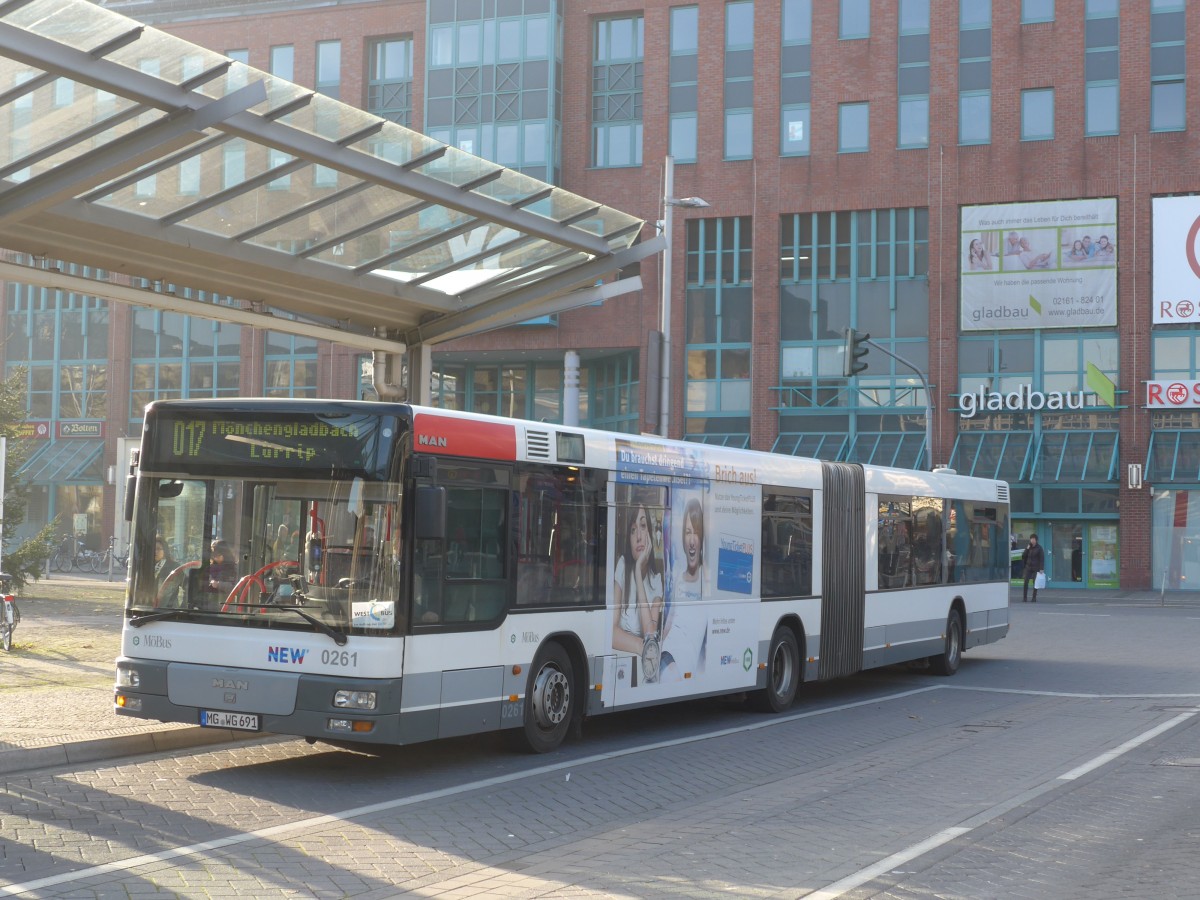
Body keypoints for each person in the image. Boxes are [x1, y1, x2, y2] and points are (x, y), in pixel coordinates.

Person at [612, 492, 664, 674]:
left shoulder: (657, 580)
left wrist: (638, 573)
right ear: (628, 538)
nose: (639, 536)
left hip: (646, 671)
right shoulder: (622, 565)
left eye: (643, 526)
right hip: (624, 666)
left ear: (650, 532)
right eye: (633, 530)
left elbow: (650, 633)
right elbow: (611, 631)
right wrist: (640, 646)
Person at [661, 497, 706, 680]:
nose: (692, 540)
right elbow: (670, 620)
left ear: (702, 537)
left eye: (696, 532)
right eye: (688, 532)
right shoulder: (679, 575)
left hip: (685, 665)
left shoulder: (708, 579)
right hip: (668, 656)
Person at [153, 537, 182, 607]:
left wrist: (182, 607)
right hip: (150, 609)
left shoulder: (174, 566)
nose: (155, 551)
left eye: (158, 549)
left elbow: (186, 587)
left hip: (168, 610)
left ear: (165, 550)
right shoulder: (147, 566)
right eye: (154, 548)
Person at [1021, 533, 1045, 602]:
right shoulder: (1029, 547)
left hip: (1036, 567)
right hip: (1028, 567)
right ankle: (1024, 597)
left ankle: (1034, 597)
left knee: (1035, 583)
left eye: (1033, 539)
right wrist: (1027, 549)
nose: (1032, 540)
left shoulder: (1039, 548)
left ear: (1036, 540)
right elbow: (1023, 556)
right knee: (1026, 582)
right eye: (1031, 539)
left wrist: (1041, 568)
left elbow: (1042, 559)